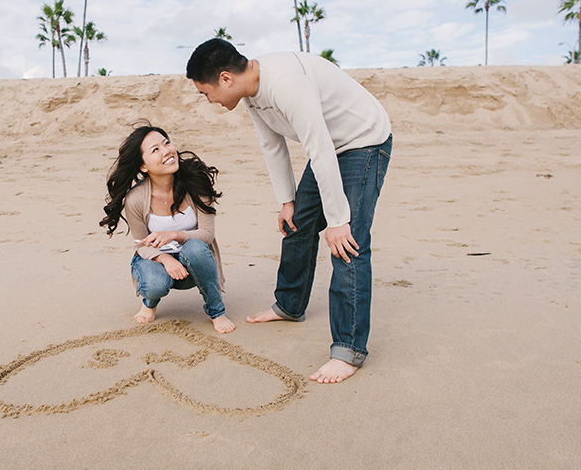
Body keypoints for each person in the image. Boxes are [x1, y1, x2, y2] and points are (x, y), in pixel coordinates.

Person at [186, 39, 392, 382]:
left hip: (363, 141)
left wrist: (339, 221)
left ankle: (348, 350)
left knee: (348, 242)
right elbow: (272, 145)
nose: (209, 101)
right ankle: (289, 305)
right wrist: (287, 200)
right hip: (329, 147)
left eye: (205, 93)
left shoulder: (285, 83)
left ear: (225, 79)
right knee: (297, 223)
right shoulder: (250, 92)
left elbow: (319, 146)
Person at [100, 124, 236, 334]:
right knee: (155, 283)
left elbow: (207, 235)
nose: (166, 151)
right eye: (155, 150)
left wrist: (173, 235)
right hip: (156, 263)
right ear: (143, 166)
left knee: (197, 249)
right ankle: (149, 302)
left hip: (194, 264)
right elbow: (141, 245)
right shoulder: (135, 199)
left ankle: (216, 311)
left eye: (167, 143)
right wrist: (166, 259)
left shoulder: (196, 184)